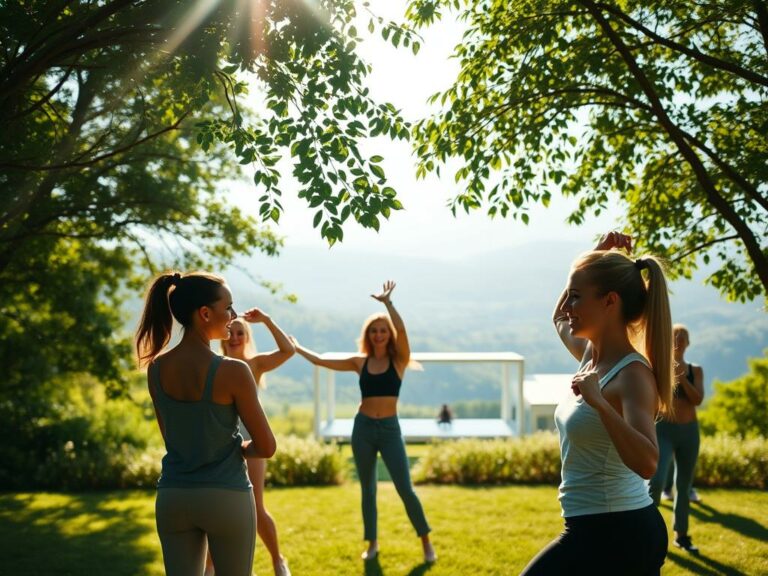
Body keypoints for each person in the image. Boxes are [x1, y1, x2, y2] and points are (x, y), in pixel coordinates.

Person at [521, 232, 672, 576]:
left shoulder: (632, 375)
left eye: (577, 298)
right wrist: (595, 255)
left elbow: (648, 462)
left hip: (620, 531)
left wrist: (600, 403)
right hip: (594, 527)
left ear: (610, 301)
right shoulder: (591, 355)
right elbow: (558, 318)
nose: (568, 307)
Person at [136, 271, 276, 576]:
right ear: (204, 313)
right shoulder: (234, 371)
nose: (233, 315)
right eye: (228, 307)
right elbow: (266, 447)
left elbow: (173, 438)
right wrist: (239, 448)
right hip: (226, 495)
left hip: (174, 497)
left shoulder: (156, 369)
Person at [291, 281, 436, 564]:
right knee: (367, 489)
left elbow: (403, 331)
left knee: (405, 488)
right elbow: (322, 361)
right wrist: (297, 348)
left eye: (383, 330)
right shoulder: (360, 362)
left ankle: (426, 542)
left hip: (390, 429)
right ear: (368, 335)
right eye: (374, 330)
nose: (379, 334)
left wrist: (387, 304)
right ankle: (373, 543)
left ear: (388, 334)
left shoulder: (400, 360)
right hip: (364, 429)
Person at [205, 311, 295, 576]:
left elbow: (288, 350)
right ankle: (211, 567)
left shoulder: (253, 365)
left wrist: (266, 319)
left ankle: (278, 560)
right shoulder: (213, 364)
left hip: (252, 441)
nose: (234, 337)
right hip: (221, 443)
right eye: (230, 331)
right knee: (217, 506)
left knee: (255, 506)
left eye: (240, 332)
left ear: (247, 337)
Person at [649, 324, 704, 553]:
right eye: (675, 337)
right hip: (664, 430)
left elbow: (697, 399)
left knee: (684, 485)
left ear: (688, 343)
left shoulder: (695, 370)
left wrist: (682, 378)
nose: (679, 341)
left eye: (683, 337)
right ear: (668, 342)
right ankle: (647, 533)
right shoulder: (659, 369)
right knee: (657, 481)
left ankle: (681, 536)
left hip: (689, 433)